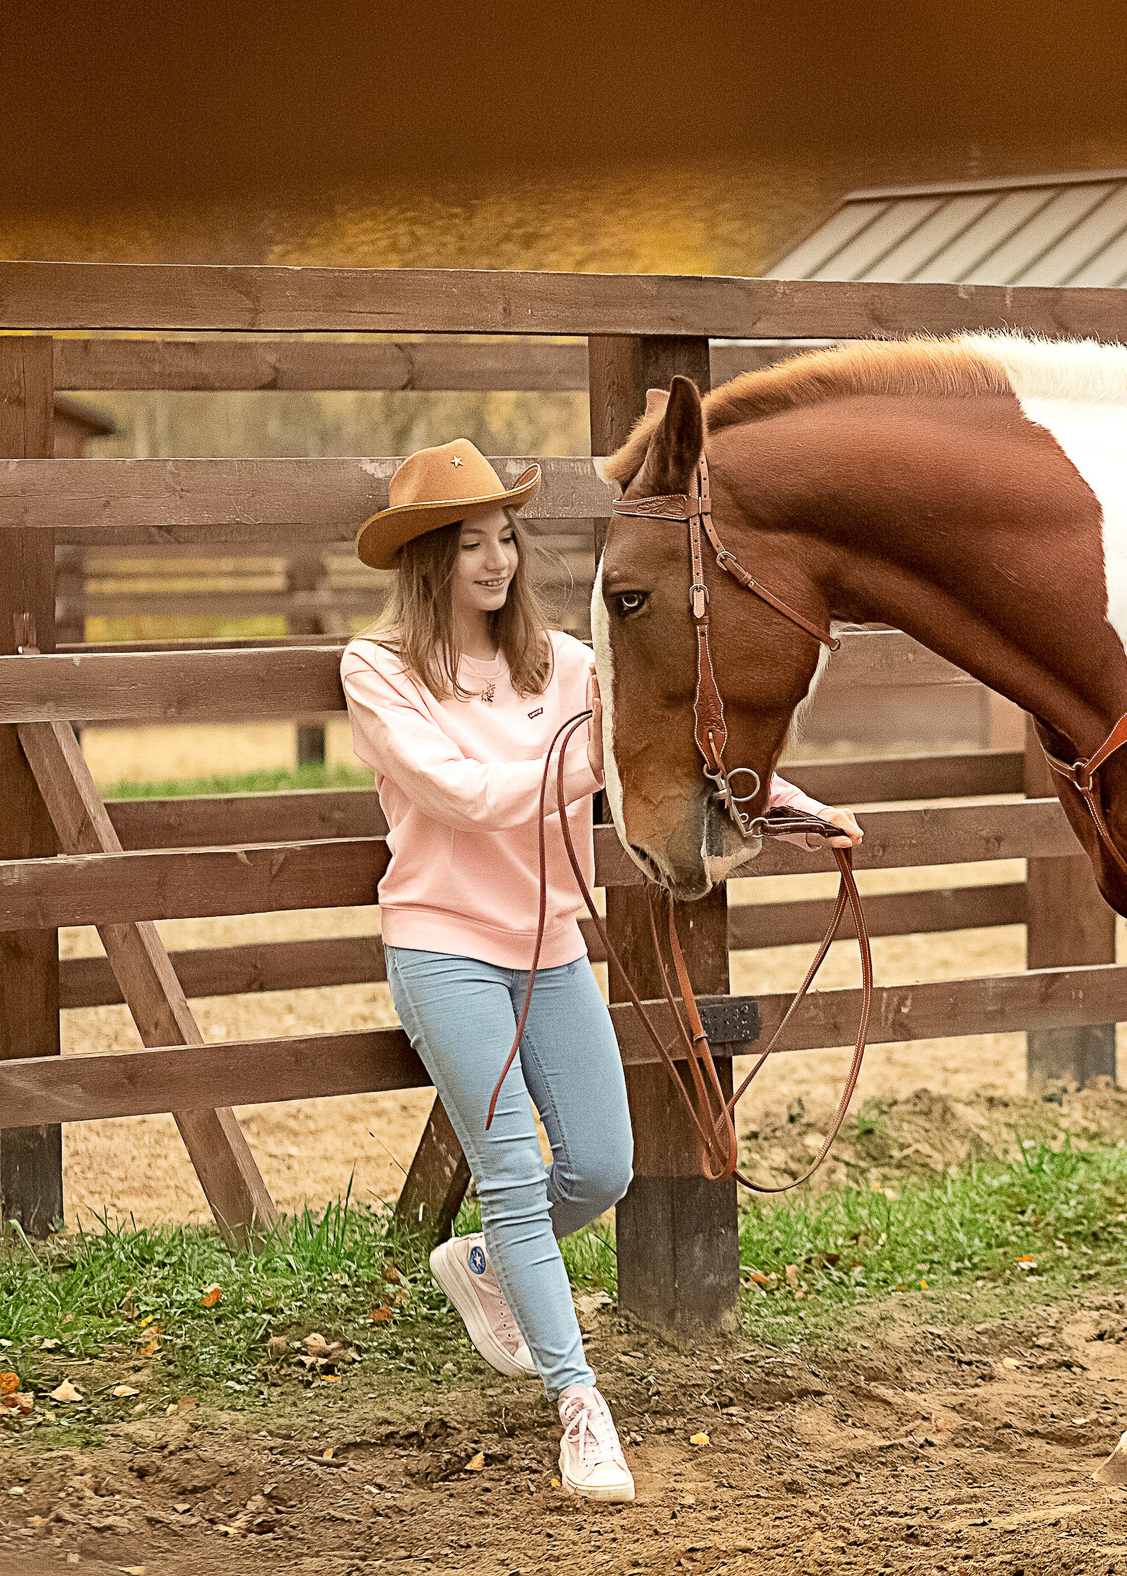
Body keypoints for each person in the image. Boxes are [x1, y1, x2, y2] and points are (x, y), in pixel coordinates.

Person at [341, 440, 859, 1502]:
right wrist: (605, 756)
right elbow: (470, 795)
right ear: (428, 561)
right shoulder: (379, 671)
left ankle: (485, 1265)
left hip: (552, 948)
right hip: (445, 948)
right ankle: (581, 1404)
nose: (495, 560)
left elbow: (679, 759)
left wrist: (790, 809)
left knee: (606, 1166)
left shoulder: (572, 664)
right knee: (517, 1176)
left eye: (504, 538)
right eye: (470, 543)